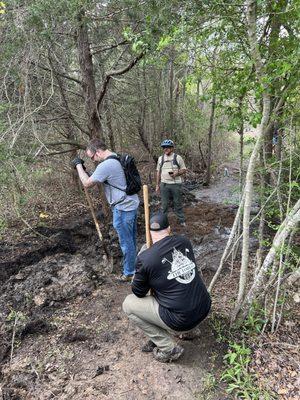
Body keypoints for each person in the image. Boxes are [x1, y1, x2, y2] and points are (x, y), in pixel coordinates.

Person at [122, 212, 211, 363]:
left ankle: (168, 348)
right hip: (204, 308)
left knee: (128, 304)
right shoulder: (185, 242)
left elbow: (138, 292)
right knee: (179, 290)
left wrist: (141, 265)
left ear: (150, 233)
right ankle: (191, 331)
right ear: (169, 229)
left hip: (181, 320)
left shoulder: (146, 258)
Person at [71, 138, 139, 281]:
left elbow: (86, 183)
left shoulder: (107, 164)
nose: (93, 160)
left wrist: (78, 166)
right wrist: (85, 170)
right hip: (131, 204)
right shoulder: (118, 158)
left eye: (92, 157)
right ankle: (135, 267)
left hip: (122, 208)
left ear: (98, 152)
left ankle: (129, 273)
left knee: (126, 243)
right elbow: (100, 177)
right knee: (131, 240)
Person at [155, 139, 187, 226]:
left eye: (168, 147)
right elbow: (158, 172)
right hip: (164, 184)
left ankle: (181, 220)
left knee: (177, 203)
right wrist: (157, 185)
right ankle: (163, 222)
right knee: (164, 204)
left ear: (172, 148)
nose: (166, 149)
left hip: (176, 184)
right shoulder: (160, 159)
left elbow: (184, 169)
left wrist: (176, 173)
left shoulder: (177, 157)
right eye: (164, 147)